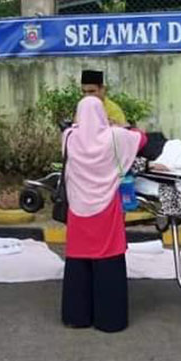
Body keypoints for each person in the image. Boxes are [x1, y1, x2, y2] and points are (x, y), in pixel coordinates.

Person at [61, 96, 144, 332]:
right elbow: (141, 139)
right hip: (106, 207)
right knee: (108, 261)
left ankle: (77, 316)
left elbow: (72, 130)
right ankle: (110, 320)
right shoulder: (115, 137)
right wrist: (119, 127)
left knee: (78, 262)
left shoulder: (68, 138)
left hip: (77, 208)